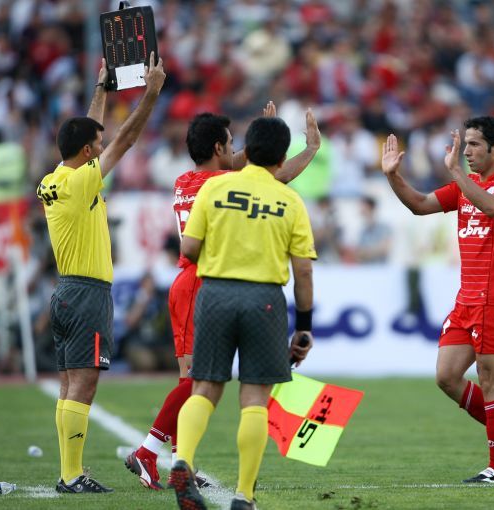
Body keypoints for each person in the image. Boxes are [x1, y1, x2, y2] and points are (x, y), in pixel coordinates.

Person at [124, 103, 321, 491]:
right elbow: (274, 175)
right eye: (231, 144)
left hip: (188, 282)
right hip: (205, 280)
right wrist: (308, 148)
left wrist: (262, 134)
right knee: (197, 381)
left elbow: (251, 163)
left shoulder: (186, 180)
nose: (237, 151)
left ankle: (182, 460)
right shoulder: (219, 183)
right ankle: (148, 450)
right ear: (218, 148)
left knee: (191, 380)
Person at [168, 117, 316, 510]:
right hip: (263, 300)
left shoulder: (215, 187)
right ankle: (243, 495)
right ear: (282, 159)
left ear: (245, 151)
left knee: (204, 389)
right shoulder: (289, 200)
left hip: (215, 294)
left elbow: (189, 248)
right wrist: (303, 328)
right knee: (254, 398)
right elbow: (303, 271)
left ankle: (182, 460)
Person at [36, 54, 166, 494]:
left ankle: (68, 472)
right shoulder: (81, 183)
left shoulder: (55, 179)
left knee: (69, 384)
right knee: (84, 386)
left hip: (66, 291)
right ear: (89, 152)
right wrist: (151, 94)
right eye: (97, 142)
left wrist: (101, 90)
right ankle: (72, 476)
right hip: (87, 294)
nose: (101, 143)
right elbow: (125, 140)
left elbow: (92, 135)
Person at [380, 116, 494, 483]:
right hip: (467, 298)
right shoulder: (465, 186)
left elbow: (493, 207)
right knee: (447, 376)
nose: (466, 152)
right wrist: (392, 176)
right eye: (465, 145)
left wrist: (457, 175)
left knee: (490, 379)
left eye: (474, 144)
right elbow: (419, 204)